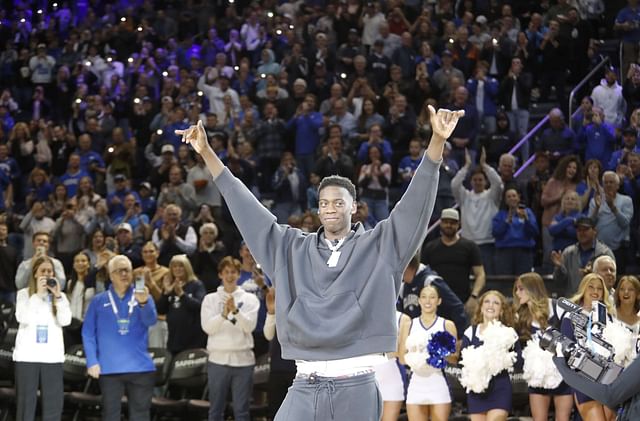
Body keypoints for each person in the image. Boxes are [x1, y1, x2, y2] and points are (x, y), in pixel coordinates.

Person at [176, 105, 464, 420]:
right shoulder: (289, 248)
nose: (330, 208)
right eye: (324, 202)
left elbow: (414, 206)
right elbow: (246, 206)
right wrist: (206, 153)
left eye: (339, 202)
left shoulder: (381, 246)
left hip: (357, 386)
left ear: (355, 206)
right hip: (303, 384)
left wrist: (436, 143)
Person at [81, 255, 157, 421]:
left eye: (127, 270)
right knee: (110, 415)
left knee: (141, 415)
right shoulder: (98, 301)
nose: (124, 274)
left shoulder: (142, 296)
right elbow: (88, 333)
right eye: (119, 270)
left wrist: (144, 304)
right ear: (110, 274)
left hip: (140, 368)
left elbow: (151, 321)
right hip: (109, 369)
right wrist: (92, 361)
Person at [200, 256, 260, 421]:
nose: (230, 276)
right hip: (217, 361)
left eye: (233, 272)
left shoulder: (250, 299)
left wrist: (235, 311)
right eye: (226, 272)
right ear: (220, 274)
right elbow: (208, 328)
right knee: (215, 411)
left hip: (243, 362)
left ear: (239, 275)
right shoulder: (210, 299)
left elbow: (249, 327)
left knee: (241, 411)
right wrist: (223, 315)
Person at [13, 255, 71, 421]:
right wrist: (37, 294)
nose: (46, 274)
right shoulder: (24, 294)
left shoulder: (60, 297)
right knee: (26, 405)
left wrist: (58, 297)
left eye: (49, 271)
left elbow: (65, 320)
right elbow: (22, 317)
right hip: (27, 356)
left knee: (53, 405)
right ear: (35, 274)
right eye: (43, 271)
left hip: (51, 357)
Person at [512, 273, 572, 421]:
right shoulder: (520, 316)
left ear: (532, 289)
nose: (517, 293)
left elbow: (570, 338)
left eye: (521, 289)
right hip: (538, 378)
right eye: (516, 290)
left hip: (562, 375)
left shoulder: (557, 306)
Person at [559, 273, 616, 421]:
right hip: (584, 379)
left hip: (609, 380)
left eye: (599, 288)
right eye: (591, 286)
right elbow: (566, 348)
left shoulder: (609, 318)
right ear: (583, 289)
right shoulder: (571, 315)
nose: (595, 291)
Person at [398, 284, 457, 421]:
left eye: (432, 297)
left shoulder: (447, 325)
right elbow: (401, 357)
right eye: (424, 297)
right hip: (416, 383)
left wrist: (438, 354)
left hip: (438, 382)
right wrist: (418, 359)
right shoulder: (409, 325)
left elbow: (454, 358)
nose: (427, 301)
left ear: (439, 301)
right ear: (418, 301)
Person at [461, 290, 519, 421]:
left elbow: (518, 360)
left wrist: (501, 359)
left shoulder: (509, 333)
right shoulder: (470, 332)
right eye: (487, 302)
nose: (490, 305)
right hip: (477, 390)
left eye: (496, 303)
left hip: (500, 388)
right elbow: (463, 361)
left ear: (502, 310)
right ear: (481, 307)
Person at [422, 208, 485, 313]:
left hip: (462, 302)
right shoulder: (430, 247)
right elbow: (422, 274)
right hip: (435, 302)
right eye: (446, 222)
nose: (449, 225)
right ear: (440, 223)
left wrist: (474, 297)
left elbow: (480, 275)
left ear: (458, 224)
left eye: (452, 223)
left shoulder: (470, 247)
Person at [451, 148, 503, 275]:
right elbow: (454, 184)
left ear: (485, 182)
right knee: (467, 277)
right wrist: (466, 166)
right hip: (468, 243)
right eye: (475, 180)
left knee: (488, 277)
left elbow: (498, 182)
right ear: (471, 182)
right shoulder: (465, 196)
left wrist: (485, 166)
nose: (478, 182)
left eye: (480, 180)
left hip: (487, 243)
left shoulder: (492, 196)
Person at [551, 216, 614, 296]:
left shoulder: (605, 253)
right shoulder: (568, 253)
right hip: (572, 303)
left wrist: (593, 274)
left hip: (597, 301)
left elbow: (610, 281)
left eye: (585, 229)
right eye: (579, 230)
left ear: (595, 231)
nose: (582, 233)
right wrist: (559, 268)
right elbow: (558, 283)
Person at [157, 254, 206, 354]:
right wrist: (166, 293)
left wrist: (182, 294)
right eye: (174, 266)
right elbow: (160, 310)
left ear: (187, 267)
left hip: (193, 340)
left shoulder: (196, 284)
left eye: (180, 266)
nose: (177, 269)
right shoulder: (170, 287)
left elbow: (200, 306)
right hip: (174, 340)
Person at [373, 310, 410, 421]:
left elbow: (402, 356)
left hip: (391, 380)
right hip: (367, 379)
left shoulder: (403, 319)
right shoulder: (363, 314)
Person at [492, 188, 539, 276]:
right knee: (505, 281)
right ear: (505, 200)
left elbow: (534, 232)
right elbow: (496, 233)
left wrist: (527, 220)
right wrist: (506, 221)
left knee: (524, 281)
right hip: (504, 253)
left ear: (518, 198)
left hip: (524, 251)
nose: (511, 198)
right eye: (508, 197)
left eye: (514, 196)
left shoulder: (527, 213)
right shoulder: (500, 215)